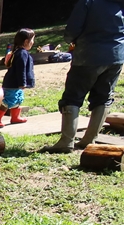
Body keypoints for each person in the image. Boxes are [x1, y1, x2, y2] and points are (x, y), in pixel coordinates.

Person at [45, 0, 124, 153]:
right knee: (104, 97)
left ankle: (66, 141)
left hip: (88, 55)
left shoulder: (88, 2)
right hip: (116, 56)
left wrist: (70, 40)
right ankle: (90, 140)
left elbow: (72, 30)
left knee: (72, 97)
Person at [0, 28, 36, 128]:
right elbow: (21, 69)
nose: (33, 42)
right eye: (32, 40)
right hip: (13, 83)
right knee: (9, 101)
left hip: (14, 83)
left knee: (18, 99)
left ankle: (15, 117)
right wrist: (22, 83)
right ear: (26, 41)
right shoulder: (22, 53)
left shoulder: (19, 52)